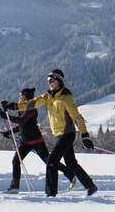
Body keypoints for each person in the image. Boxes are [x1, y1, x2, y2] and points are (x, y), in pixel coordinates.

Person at [30, 69, 98, 197]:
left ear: (59, 81)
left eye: (52, 80)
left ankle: (50, 194)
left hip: (67, 134)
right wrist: (14, 106)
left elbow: (77, 117)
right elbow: (32, 103)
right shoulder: (48, 97)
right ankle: (90, 186)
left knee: (51, 161)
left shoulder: (65, 97)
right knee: (71, 163)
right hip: (59, 135)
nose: (49, 82)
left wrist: (85, 135)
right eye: (48, 80)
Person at [0, 87, 76, 194]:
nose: (19, 97)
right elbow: (22, 126)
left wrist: (7, 117)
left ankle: (71, 175)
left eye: (21, 95)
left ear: (27, 97)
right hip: (25, 142)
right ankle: (14, 187)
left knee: (49, 162)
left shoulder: (31, 109)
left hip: (36, 141)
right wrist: (8, 132)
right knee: (15, 161)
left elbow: (22, 120)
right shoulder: (22, 108)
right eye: (19, 95)